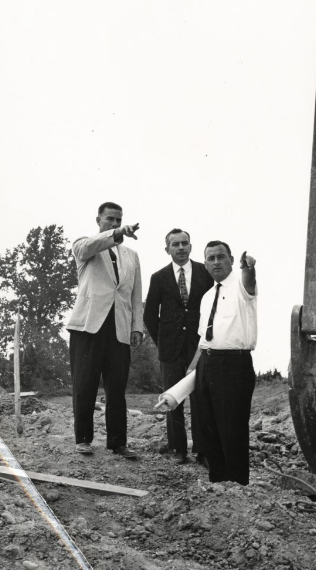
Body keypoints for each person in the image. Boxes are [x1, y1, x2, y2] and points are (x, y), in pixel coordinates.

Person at [66, 201, 143, 459]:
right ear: (98, 220)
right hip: (88, 327)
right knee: (84, 385)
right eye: (110, 219)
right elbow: (90, 245)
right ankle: (83, 439)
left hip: (119, 329)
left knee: (117, 389)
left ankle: (118, 442)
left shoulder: (131, 257)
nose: (114, 223)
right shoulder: (84, 247)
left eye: (118, 220)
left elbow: (135, 295)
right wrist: (115, 235)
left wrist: (137, 328)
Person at [178, 241, 257, 485]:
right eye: (210, 258)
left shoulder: (241, 288)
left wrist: (249, 268)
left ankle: (236, 485)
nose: (215, 262)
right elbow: (204, 338)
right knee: (208, 427)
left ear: (232, 260)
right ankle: (217, 483)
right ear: (205, 264)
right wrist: (193, 369)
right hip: (207, 364)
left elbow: (249, 282)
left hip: (234, 364)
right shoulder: (206, 296)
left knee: (232, 428)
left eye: (221, 257)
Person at [144, 228, 214, 464]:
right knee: (172, 399)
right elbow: (150, 315)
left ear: (191, 247)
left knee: (202, 398)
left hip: (200, 347)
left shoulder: (206, 273)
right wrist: (163, 341)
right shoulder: (159, 277)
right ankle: (178, 450)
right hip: (170, 349)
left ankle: (203, 450)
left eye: (185, 243)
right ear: (167, 249)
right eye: (175, 244)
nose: (181, 248)